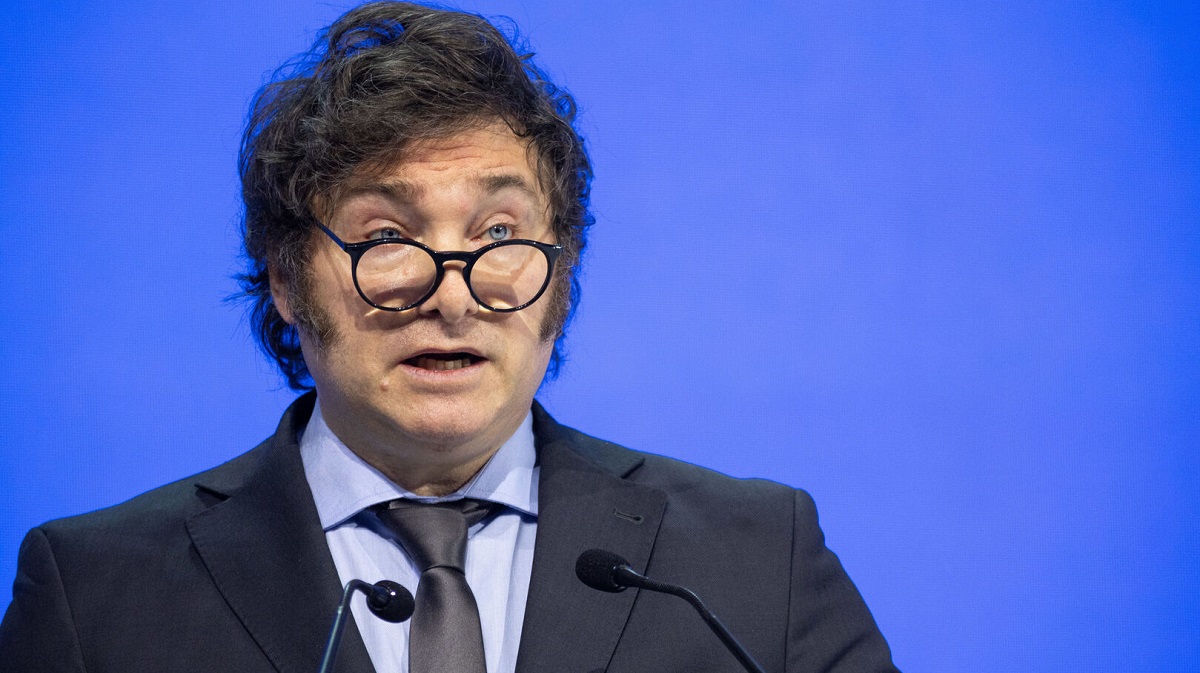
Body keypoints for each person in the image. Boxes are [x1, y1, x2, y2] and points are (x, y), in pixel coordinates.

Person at [0, 3, 899, 672]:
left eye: (500, 234)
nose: (453, 293)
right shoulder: (96, 594)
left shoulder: (755, 561)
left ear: (562, 273)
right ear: (284, 277)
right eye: (388, 236)